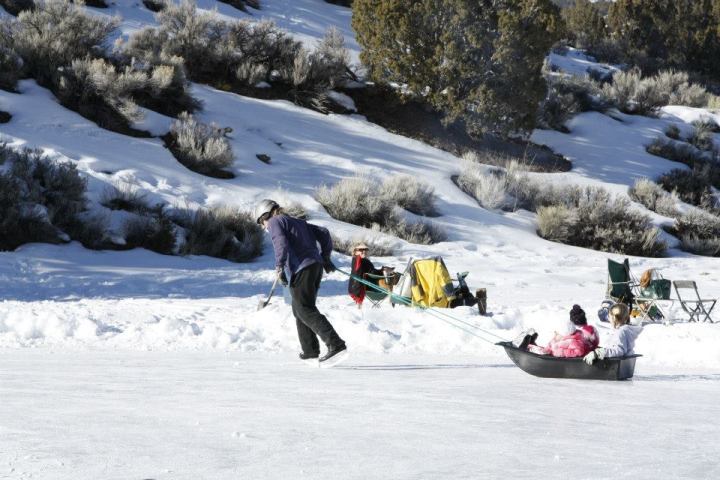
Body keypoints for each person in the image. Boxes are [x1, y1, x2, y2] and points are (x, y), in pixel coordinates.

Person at [254, 199, 347, 365]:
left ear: (266, 214)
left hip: (303, 268)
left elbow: (280, 243)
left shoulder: (275, 221)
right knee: (299, 308)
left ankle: (336, 344)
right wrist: (325, 257)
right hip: (314, 266)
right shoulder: (297, 222)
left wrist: (279, 265)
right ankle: (310, 350)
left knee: (303, 308)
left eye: (262, 222)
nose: (264, 227)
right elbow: (324, 232)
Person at [522, 305, 599, 358]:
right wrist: (540, 349)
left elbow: (579, 351)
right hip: (552, 353)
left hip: (568, 361)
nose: (555, 334)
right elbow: (549, 349)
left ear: (564, 334)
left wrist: (561, 352)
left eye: (557, 332)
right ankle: (529, 345)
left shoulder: (573, 341)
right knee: (541, 349)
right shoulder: (557, 339)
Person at [348, 243, 384, 307]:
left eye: (365, 250)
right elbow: (371, 272)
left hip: (355, 288)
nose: (363, 251)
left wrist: (381, 271)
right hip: (358, 288)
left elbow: (371, 271)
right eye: (361, 250)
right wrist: (381, 272)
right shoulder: (359, 260)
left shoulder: (360, 260)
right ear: (355, 251)